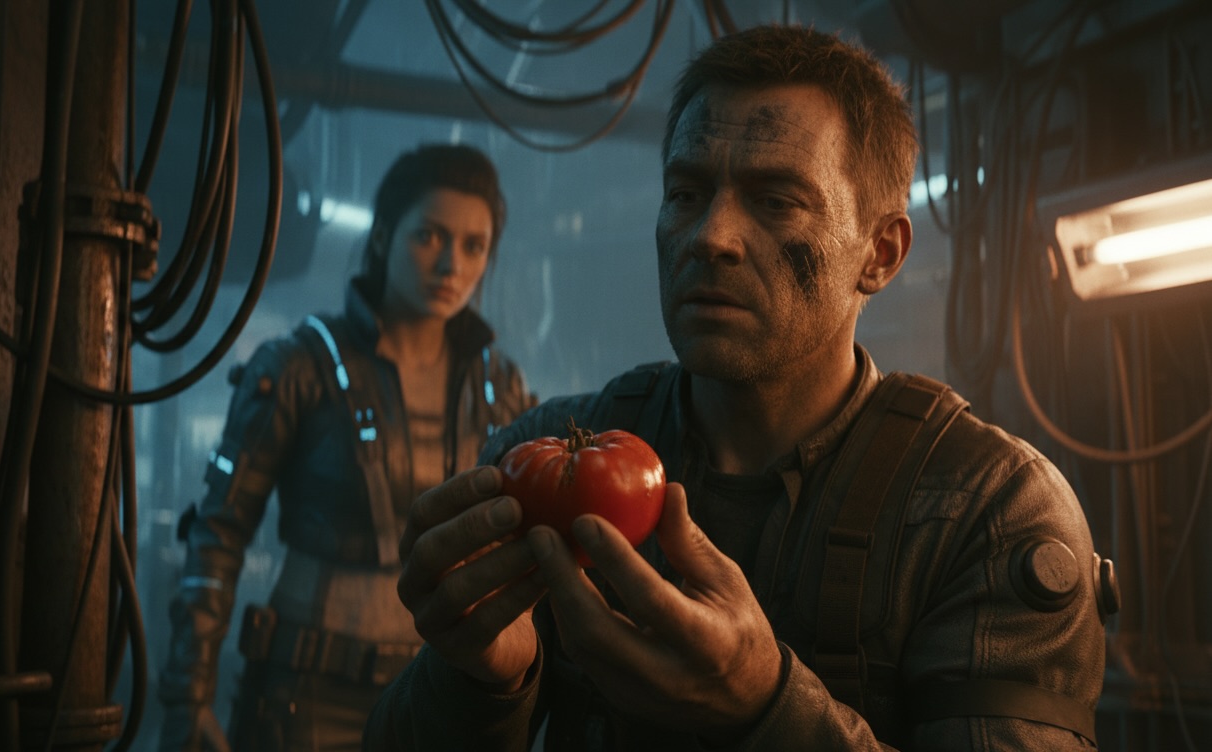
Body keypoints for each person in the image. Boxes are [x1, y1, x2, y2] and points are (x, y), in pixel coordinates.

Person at [365, 25, 1111, 751]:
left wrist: (764, 708)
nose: (710, 236)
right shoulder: (546, 459)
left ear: (879, 254)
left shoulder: (990, 509)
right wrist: (482, 679)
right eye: (686, 194)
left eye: (775, 200)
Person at [157, 143, 538, 751]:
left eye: (474, 247)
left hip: (441, 694)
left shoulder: (501, 387)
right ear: (383, 237)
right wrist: (187, 696)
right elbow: (218, 535)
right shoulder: (298, 366)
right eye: (430, 237)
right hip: (303, 694)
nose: (451, 266)